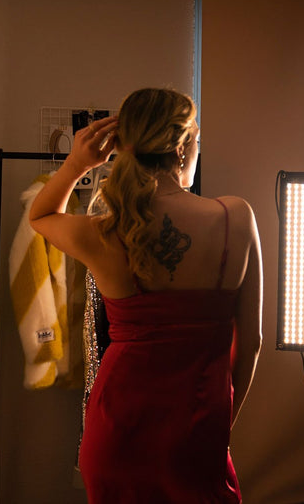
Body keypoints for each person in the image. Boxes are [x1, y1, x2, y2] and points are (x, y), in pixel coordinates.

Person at [29, 87, 263, 503]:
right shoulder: (236, 217)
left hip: (117, 430)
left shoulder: (104, 231)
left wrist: (77, 164)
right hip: (198, 425)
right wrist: (219, 426)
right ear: (182, 146)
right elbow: (251, 344)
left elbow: (42, 215)